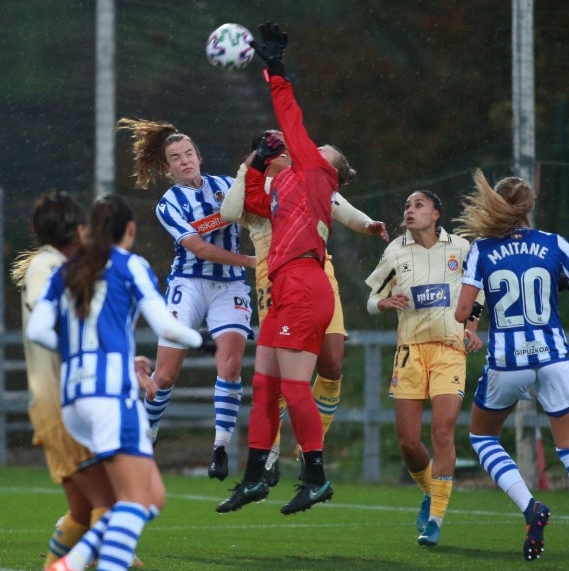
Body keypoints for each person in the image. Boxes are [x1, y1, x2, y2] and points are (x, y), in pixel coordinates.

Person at [27, 194, 207, 571]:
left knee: (147, 497)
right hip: (111, 398)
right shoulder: (130, 264)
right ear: (129, 229)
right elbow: (168, 325)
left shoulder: (69, 270)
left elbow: (38, 331)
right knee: (137, 502)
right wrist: (200, 339)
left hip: (74, 402)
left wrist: (78, 352)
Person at [216, 21, 351, 515]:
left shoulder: (314, 173)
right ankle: (254, 477)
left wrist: (274, 66)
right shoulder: (285, 184)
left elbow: (290, 115)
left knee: (294, 386)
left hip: (305, 284)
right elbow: (252, 201)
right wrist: (255, 162)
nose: (308, 146)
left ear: (327, 166)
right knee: (264, 387)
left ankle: (315, 476)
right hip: (282, 287)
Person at [453, 169, 569, 568]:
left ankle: (530, 507)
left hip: (507, 363)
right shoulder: (552, 243)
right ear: (529, 209)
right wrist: (560, 281)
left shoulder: (483, 249)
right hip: (553, 358)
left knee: (482, 438)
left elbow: (461, 312)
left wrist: (480, 304)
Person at [220, 129, 389, 486]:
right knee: (279, 377)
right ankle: (272, 459)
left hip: (315, 273)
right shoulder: (256, 190)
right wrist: (247, 165)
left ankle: (312, 450)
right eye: (277, 149)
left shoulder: (308, 181)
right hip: (273, 281)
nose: (288, 153)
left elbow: (341, 207)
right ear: (264, 157)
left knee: (332, 363)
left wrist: (367, 224)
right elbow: (229, 211)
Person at [12, 190, 143, 571]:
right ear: (78, 228)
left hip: (65, 403)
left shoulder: (61, 266)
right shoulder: (47, 267)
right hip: (62, 405)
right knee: (112, 500)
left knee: (86, 510)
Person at [116, 117, 255, 481]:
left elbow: (262, 210)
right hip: (189, 283)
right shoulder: (169, 204)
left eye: (189, 153)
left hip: (231, 286)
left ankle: (220, 448)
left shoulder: (228, 186)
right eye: (176, 157)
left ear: (199, 155)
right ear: (167, 168)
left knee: (230, 365)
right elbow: (199, 248)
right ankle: (147, 441)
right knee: (164, 375)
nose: (185, 161)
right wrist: (251, 261)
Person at [364, 190, 482, 547]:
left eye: (418, 205)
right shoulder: (395, 250)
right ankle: (432, 490)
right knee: (408, 442)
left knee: (443, 432)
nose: (410, 210)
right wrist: (383, 303)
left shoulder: (460, 248)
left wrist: (472, 330)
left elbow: (477, 295)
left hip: (449, 350)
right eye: (407, 206)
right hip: (410, 353)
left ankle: (435, 520)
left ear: (436, 214)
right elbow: (371, 298)